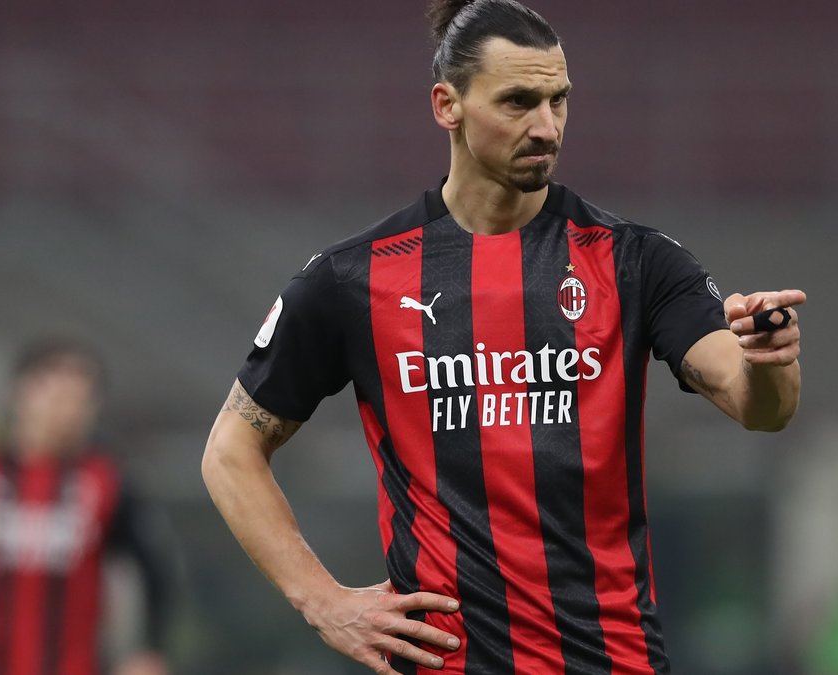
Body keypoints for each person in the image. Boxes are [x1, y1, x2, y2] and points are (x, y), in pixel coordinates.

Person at [201, 1, 804, 673]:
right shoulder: (353, 279)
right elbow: (231, 451)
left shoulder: (635, 262)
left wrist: (769, 361)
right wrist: (322, 601)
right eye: (518, 102)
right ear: (447, 106)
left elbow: (758, 406)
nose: (546, 126)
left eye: (558, 100)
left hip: (611, 659)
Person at [0, 339, 171, 675]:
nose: (67, 409)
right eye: (56, 394)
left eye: (80, 398)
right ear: (18, 393)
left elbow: (155, 572)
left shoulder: (108, 481)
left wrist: (149, 650)